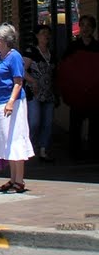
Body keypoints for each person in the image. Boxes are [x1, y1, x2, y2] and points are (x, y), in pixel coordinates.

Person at [0, 23, 33, 193]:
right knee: (7, 140)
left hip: (12, 104)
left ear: (6, 40)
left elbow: (18, 82)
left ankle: (19, 180)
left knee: (15, 139)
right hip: (0, 103)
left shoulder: (14, 57)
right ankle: (13, 178)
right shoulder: (0, 57)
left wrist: (10, 102)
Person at [60, 14, 99, 160]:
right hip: (77, 94)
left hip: (95, 94)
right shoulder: (73, 47)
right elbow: (65, 69)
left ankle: (94, 152)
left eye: (89, 26)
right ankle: (74, 153)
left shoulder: (97, 47)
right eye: (83, 25)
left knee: (95, 126)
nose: (85, 29)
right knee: (75, 125)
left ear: (93, 29)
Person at [23, 24, 57, 163]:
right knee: (34, 121)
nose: (46, 36)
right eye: (43, 33)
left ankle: (43, 150)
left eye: (47, 33)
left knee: (48, 123)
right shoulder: (31, 51)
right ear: (37, 35)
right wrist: (33, 81)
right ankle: (28, 147)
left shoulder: (51, 53)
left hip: (48, 92)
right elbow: (22, 70)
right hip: (34, 92)